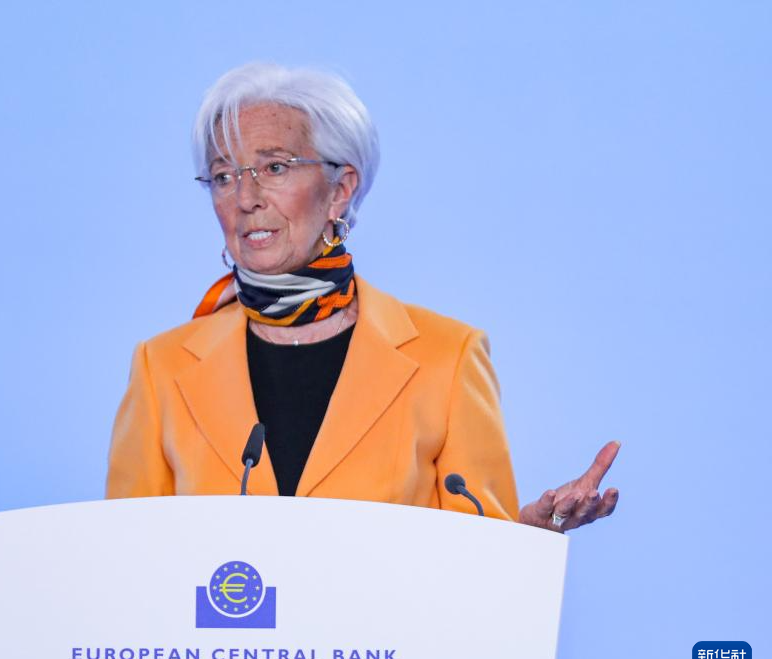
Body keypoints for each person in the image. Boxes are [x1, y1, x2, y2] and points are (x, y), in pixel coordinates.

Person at [105, 63, 619, 533]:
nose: (244, 197)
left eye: (274, 168)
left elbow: (476, 556)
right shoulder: (161, 368)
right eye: (223, 176)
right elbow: (122, 562)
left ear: (340, 189)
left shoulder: (448, 358)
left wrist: (522, 537)